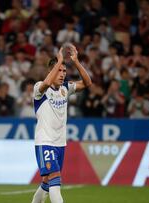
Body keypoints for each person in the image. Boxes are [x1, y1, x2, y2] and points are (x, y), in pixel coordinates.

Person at [31, 45, 92, 203]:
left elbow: (87, 83)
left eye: (64, 71)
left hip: (59, 143)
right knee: (55, 180)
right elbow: (46, 83)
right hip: (45, 142)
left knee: (46, 183)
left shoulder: (65, 89)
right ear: (51, 72)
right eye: (59, 70)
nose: (62, 74)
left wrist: (76, 62)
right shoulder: (39, 89)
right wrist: (59, 60)